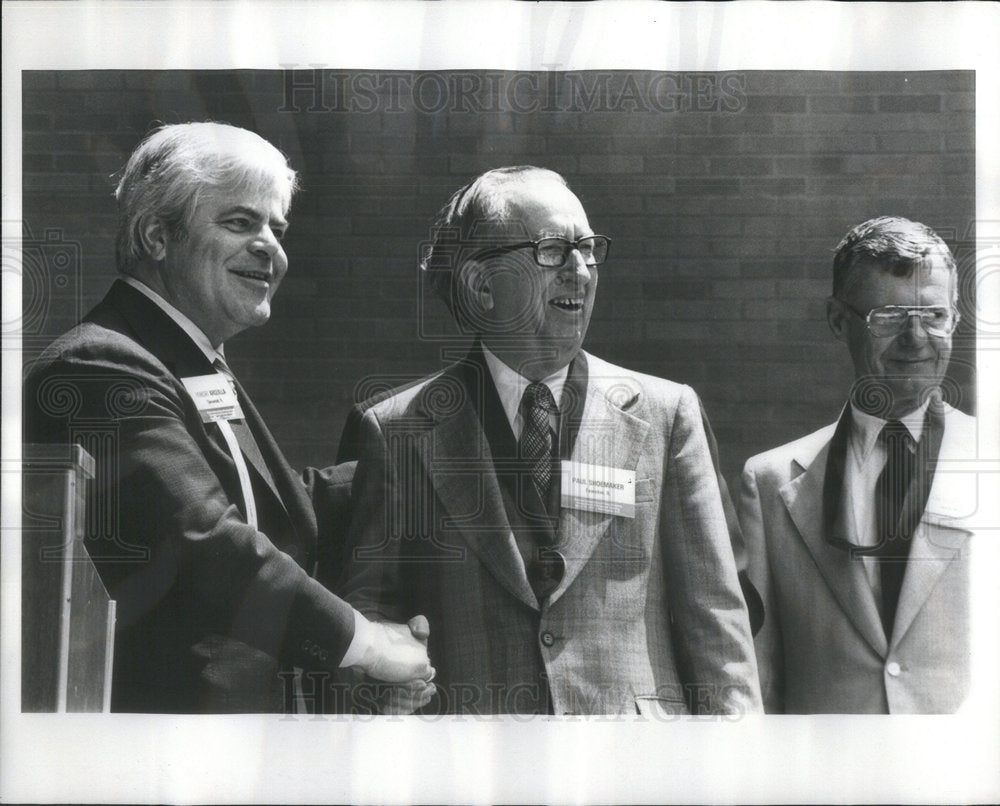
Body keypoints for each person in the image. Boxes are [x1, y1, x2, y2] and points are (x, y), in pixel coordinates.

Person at [23, 122, 434, 713]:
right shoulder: (102, 364)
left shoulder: (186, 358)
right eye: (240, 222)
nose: (271, 246)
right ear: (155, 235)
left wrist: (404, 453)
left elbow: (266, 504)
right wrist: (366, 642)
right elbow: (202, 542)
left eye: (277, 227)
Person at [339, 165, 761, 715]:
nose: (580, 270)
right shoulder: (397, 430)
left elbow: (719, 621)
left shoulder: (665, 413)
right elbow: (368, 615)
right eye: (553, 250)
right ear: (480, 283)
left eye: (587, 249)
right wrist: (382, 689)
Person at [738, 215, 977, 713]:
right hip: (829, 781)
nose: (916, 339)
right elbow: (761, 676)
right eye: (888, 317)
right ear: (837, 319)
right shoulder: (769, 484)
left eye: (933, 315)